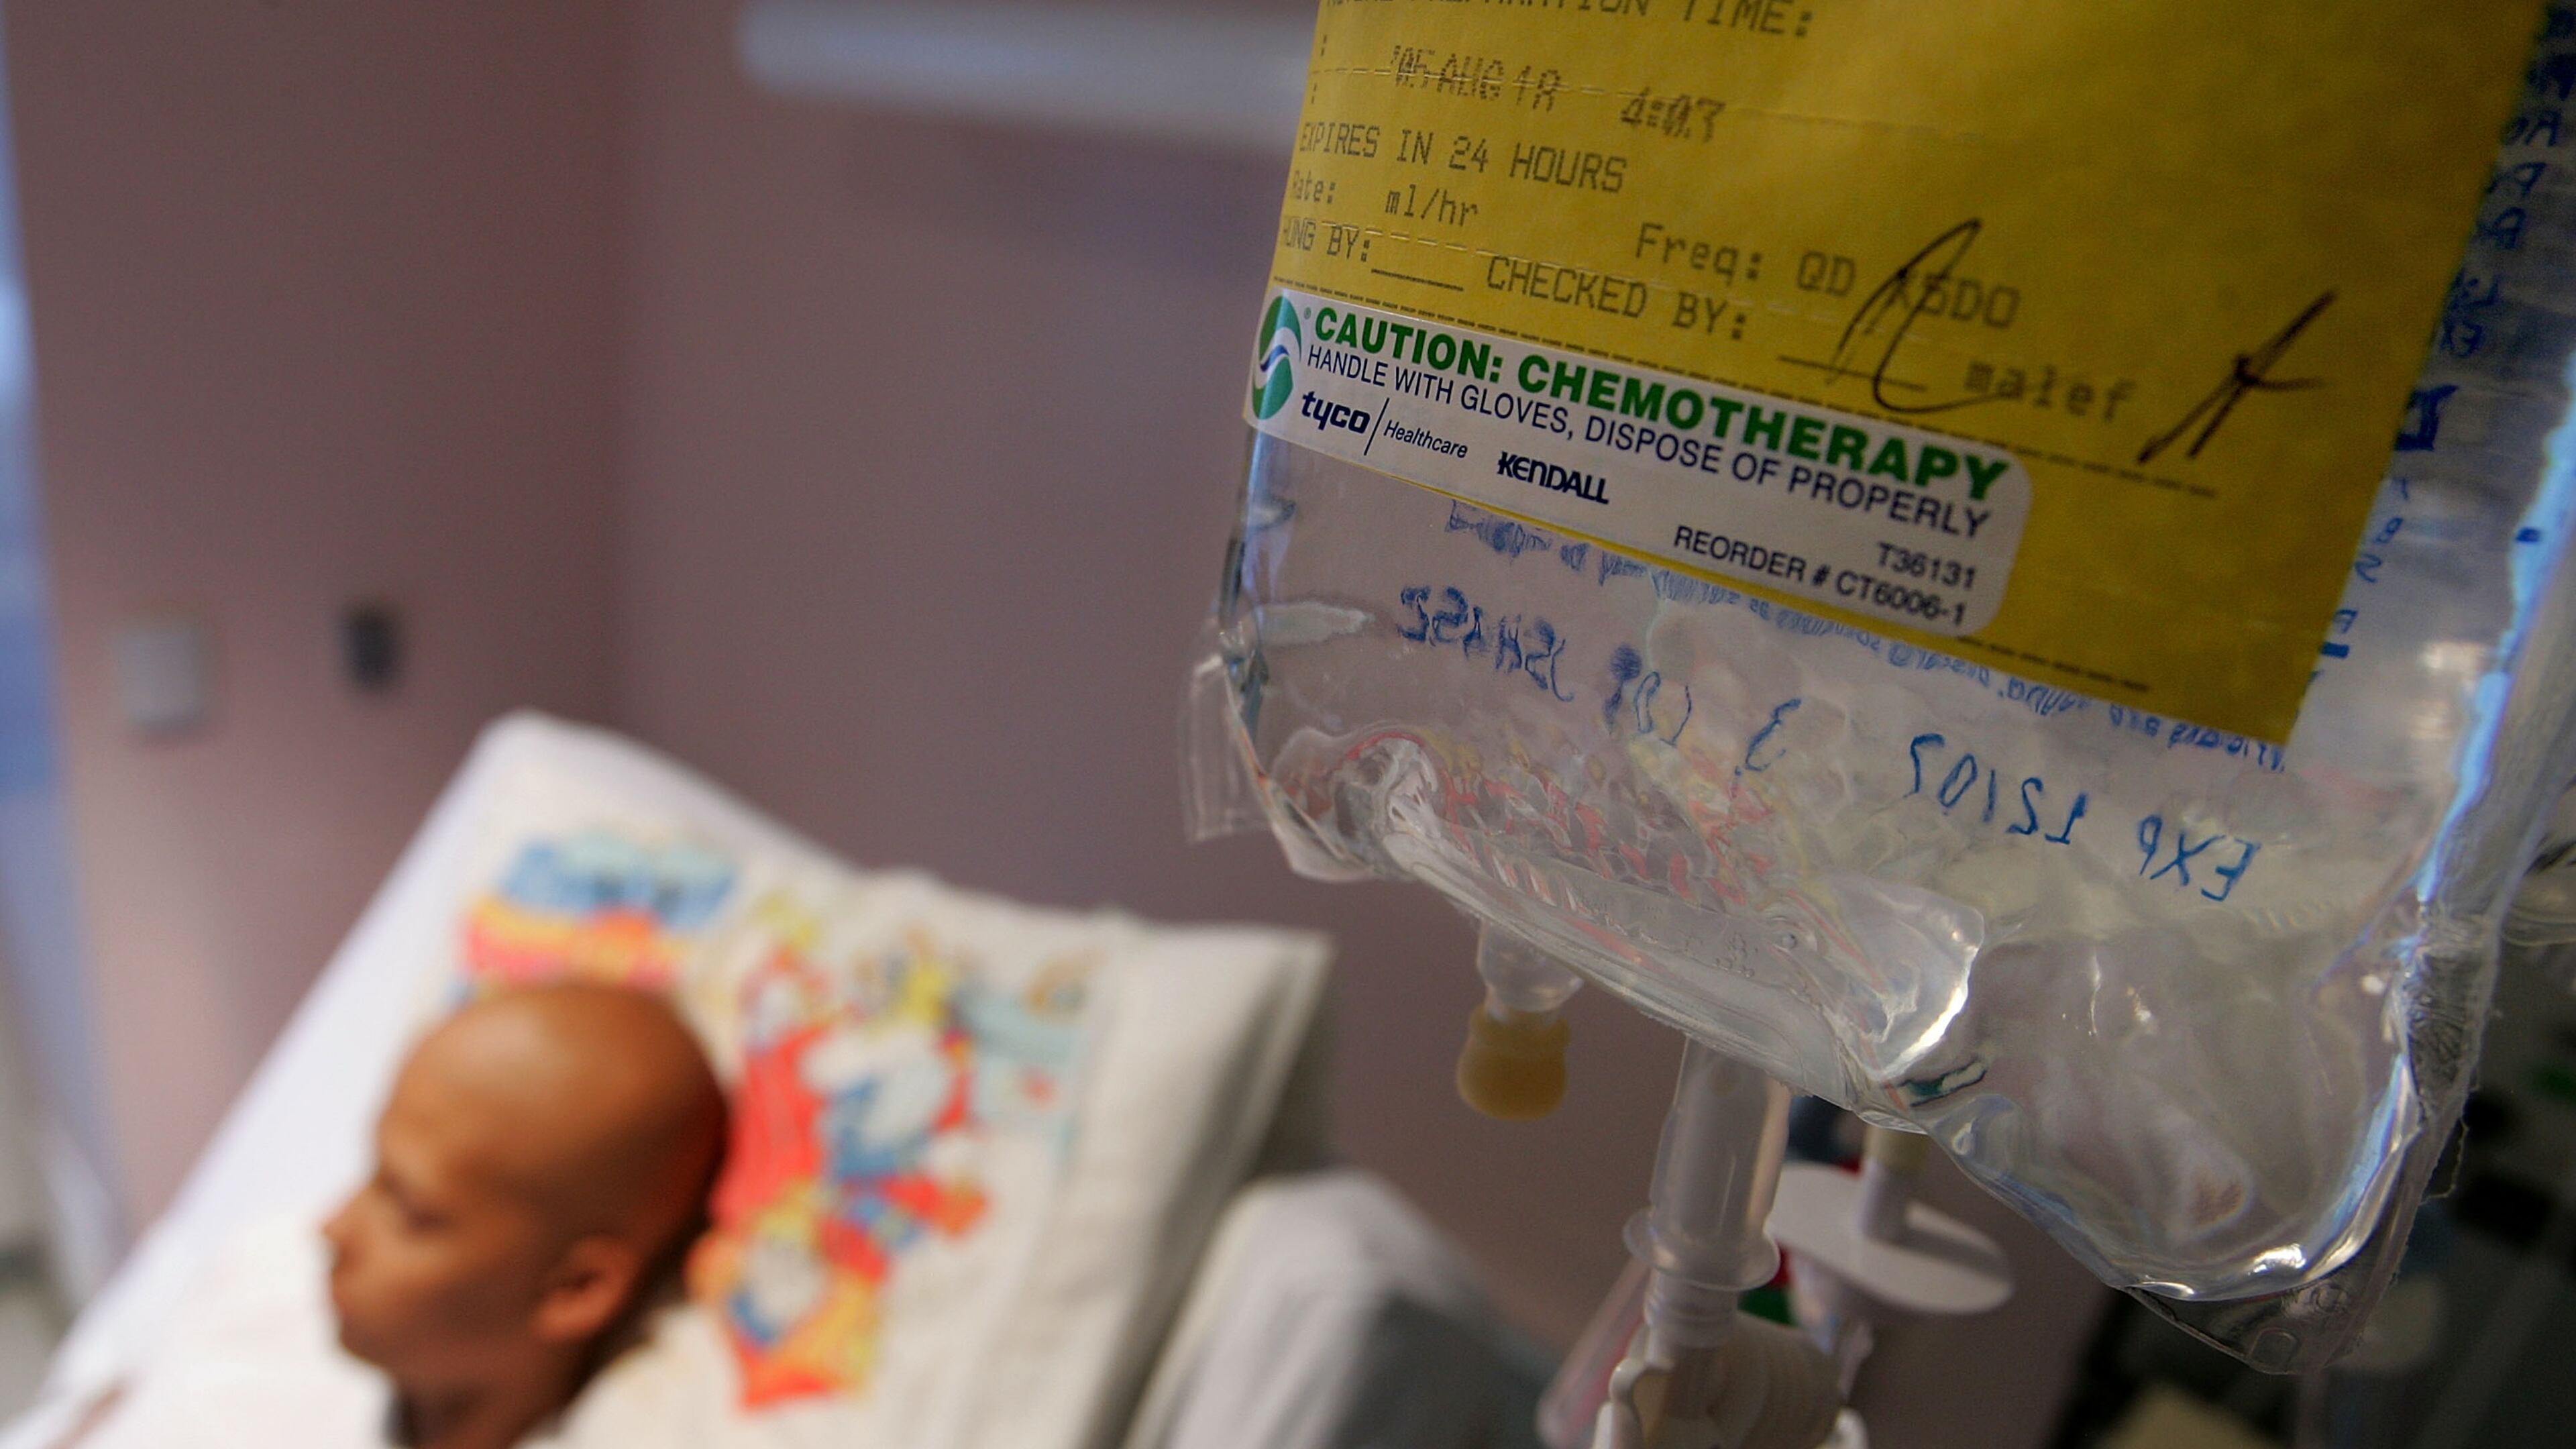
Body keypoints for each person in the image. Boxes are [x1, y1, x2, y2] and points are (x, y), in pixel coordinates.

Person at [318, 983, 726, 1449]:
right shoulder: (252, 1348)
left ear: (575, 1289)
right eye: (374, 1173)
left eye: (411, 1213)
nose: (331, 1227)